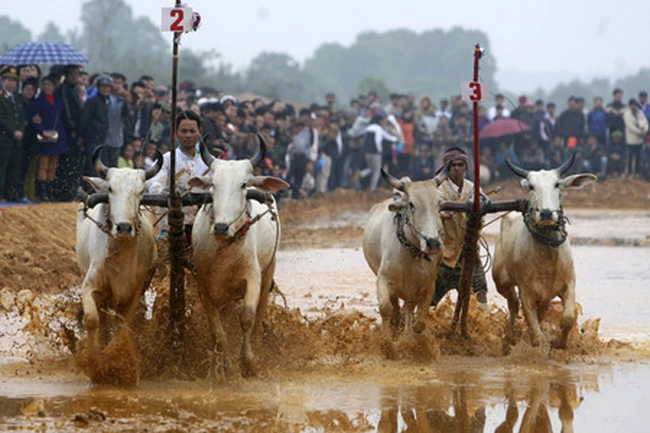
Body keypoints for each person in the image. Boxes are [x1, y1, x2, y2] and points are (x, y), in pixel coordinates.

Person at [433, 147, 488, 306]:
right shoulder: (437, 189)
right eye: (453, 165)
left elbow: (482, 218)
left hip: (468, 253)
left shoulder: (475, 190)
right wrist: (442, 214)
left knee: (480, 292)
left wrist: (478, 218)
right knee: (428, 300)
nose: (457, 168)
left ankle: (480, 323)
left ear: (466, 167)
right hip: (443, 256)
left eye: (460, 165)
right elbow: (432, 213)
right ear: (446, 168)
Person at [147, 110, 211, 245]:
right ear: (176, 133)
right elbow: (154, 184)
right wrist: (166, 194)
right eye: (184, 131)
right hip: (171, 227)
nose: (188, 135)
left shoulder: (210, 164)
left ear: (200, 132)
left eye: (192, 131)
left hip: (204, 229)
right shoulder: (165, 160)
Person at [29, 75, 69, 202]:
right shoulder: (38, 101)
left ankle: (50, 191)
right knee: (43, 165)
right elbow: (34, 119)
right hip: (44, 136)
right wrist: (42, 130)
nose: (47, 87)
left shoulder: (59, 100)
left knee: (53, 165)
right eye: (44, 84)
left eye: (49, 85)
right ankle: (43, 192)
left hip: (57, 135)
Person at [0, 66, 27, 203]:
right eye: (8, 80)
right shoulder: (1, 96)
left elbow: (22, 117)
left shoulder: (17, 97)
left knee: (14, 168)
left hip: (17, 140)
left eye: (14, 81)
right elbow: (2, 118)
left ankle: (12, 194)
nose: (11, 83)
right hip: (4, 138)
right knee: (2, 167)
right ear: (2, 80)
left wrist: (21, 130)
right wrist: (13, 131)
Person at [80, 74, 112, 176]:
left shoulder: (107, 102)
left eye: (107, 86)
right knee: (93, 166)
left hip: (102, 139)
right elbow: (84, 120)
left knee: (103, 167)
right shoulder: (92, 102)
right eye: (103, 86)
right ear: (98, 87)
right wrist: (81, 136)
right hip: (92, 138)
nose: (105, 89)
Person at [623, 98, 649, 177]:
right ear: (630, 106)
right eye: (632, 105)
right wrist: (639, 131)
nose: (634, 107)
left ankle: (637, 172)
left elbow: (645, 122)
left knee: (638, 156)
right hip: (631, 138)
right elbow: (630, 126)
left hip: (639, 139)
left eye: (635, 105)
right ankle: (630, 172)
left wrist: (645, 130)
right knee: (630, 156)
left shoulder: (640, 113)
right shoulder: (627, 114)